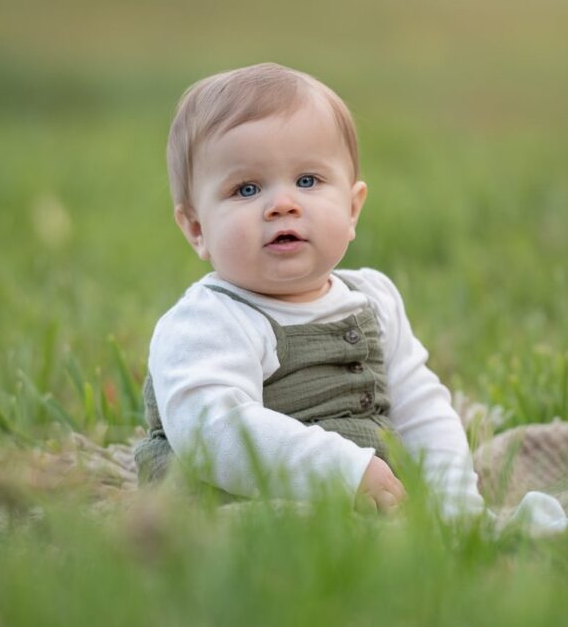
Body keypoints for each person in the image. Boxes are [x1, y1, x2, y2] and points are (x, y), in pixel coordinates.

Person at [136, 63, 540, 523]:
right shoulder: (209, 321)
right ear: (195, 228)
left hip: (370, 497)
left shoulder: (374, 299)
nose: (283, 204)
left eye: (308, 181)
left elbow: (422, 411)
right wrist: (341, 471)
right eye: (246, 188)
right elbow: (213, 433)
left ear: (352, 209)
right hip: (238, 502)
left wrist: (455, 502)